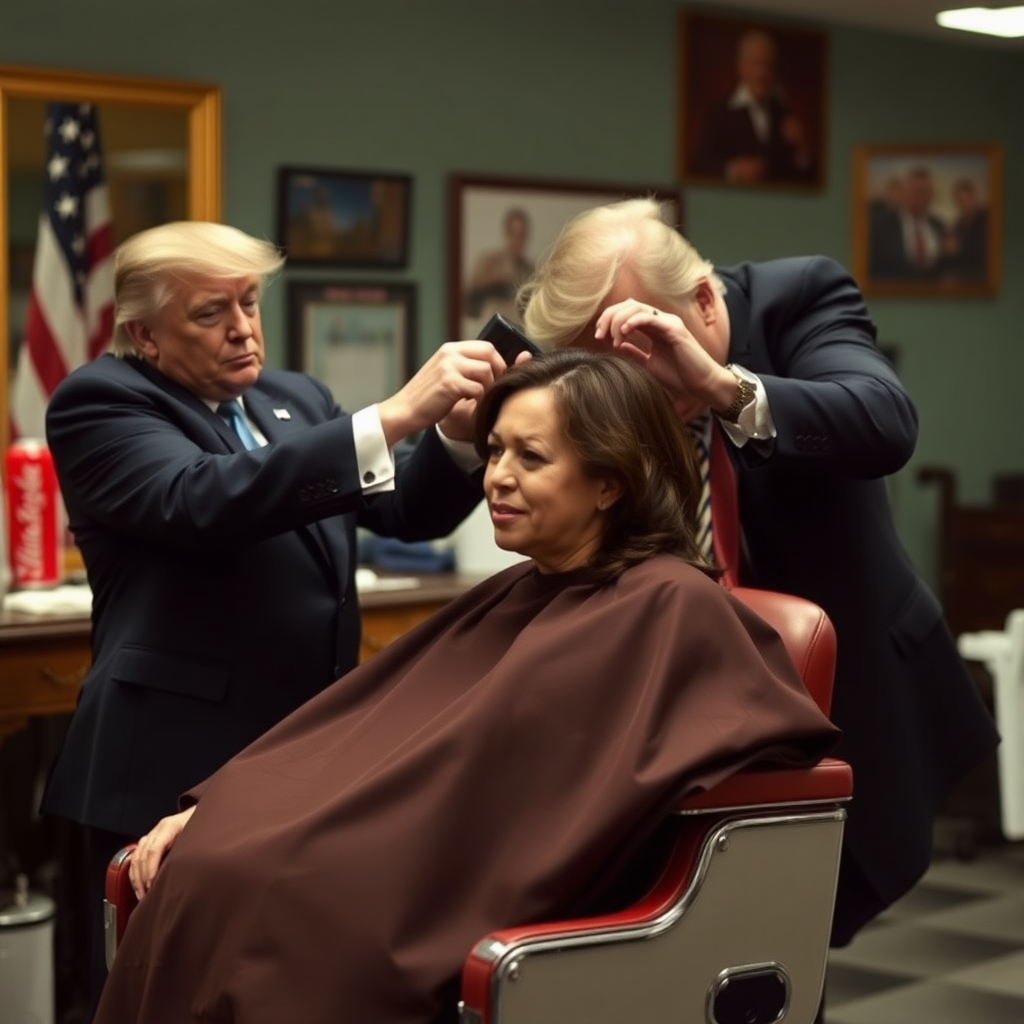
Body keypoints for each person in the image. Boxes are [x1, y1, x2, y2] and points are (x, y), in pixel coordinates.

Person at [94, 349, 839, 1024]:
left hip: (461, 884)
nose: (496, 478)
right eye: (494, 452)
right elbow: (369, 735)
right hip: (414, 850)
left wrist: (263, 838)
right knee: (224, 867)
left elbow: (488, 788)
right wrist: (222, 810)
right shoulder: (524, 589)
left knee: (270, 900)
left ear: (611, 481)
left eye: (531, 457)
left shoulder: (671, 605)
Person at [39, 220, 504, 1019]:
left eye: (249, 303)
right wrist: (391, 417)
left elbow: (405, 509)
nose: (243, 329)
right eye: (210, 313)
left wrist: (457, 439)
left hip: (299, 763)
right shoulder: (101, 402)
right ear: (144, 333)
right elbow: (202, 500)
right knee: (143, 994)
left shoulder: (296, 399)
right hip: (161, 763)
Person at [516, 198, 1000, 962]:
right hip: (690, 714)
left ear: (703, 302)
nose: (628, 396)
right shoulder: (611, 380)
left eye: (636, 352)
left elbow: (883, 422)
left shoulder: (801, 295)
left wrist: (721, 388)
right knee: (692, 945)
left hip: (849, 690)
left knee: (794, 941)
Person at [692, 29, 813, 185]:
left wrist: (802, 147)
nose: (762, 73)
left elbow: (804, 176)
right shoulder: (720, 111)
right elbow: (699, 163)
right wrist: (734, 169)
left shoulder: (784, 114)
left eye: (767, 65)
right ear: (741, 66)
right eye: (756, 63)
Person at [462, 206, 535, 333]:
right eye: (513, 234)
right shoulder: (490, 261)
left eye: (521, 235)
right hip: (491, 324)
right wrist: (497, 278)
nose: (517, 241)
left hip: (518, 328)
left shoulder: (529, 269)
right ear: (506, 234)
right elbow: (470, 292)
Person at [868, 165, 946, 281]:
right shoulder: (882, 226)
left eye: (926, 192)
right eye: (917, 191)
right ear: (905, 192)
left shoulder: (938, 225)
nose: (922, 197)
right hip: (895, 294)